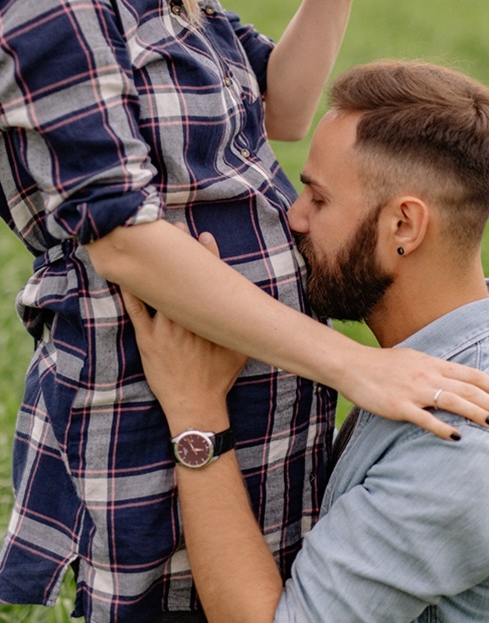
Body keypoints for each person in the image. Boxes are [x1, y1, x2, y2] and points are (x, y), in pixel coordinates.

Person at [0, 0, 488, 618]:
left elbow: (285, 109)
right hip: (155, 389)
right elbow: (119, 232)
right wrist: (349, 364)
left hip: (255, 388)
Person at [125, 60, 489, 622]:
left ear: (403, 227)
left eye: (318, 199)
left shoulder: (458, 443)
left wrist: (195, 412)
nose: (292, 218)